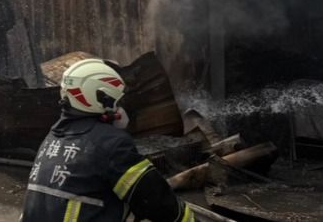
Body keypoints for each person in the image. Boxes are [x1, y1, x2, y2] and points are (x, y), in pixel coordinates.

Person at [22, 58, 194, 222]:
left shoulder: (52, 138)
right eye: (117, 101)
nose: (120, 108)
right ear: (100, 99)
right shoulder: (111, 144)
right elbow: (156, 201)